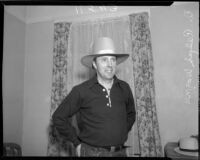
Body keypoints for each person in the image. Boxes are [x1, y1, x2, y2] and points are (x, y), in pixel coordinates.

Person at [52, 37, 136, 157]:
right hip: (91, 153)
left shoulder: (124, 88)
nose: (110, 64)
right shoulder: (81, 91)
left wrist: (121, 131)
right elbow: (58, 117)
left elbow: (131, 114)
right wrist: (77, 143)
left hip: (120, 153)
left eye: (113, 59)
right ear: (94, 64)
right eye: (104, 60)